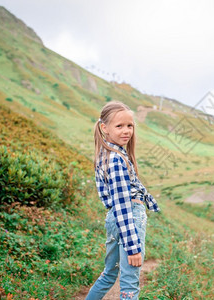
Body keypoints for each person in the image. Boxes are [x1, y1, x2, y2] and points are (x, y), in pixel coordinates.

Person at [86, 101, 160, 300]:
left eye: (130, 125)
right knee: (129, 284)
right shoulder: (117, 158)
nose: (126, 131)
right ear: (104, 128)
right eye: (119, 126)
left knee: (109, 274)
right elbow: (122, 204)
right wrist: (133, 248)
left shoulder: (105, 153)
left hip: (114, 219)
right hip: (128, 220)